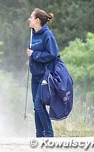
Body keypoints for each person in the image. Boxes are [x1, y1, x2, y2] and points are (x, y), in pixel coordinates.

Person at [26, 8, 59, 137]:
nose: (29, 19)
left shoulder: (47, 35)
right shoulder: (32, 34)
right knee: (36, 106)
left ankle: (49, 134)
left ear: (37, 20)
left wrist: (34, 54)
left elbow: (53, 54)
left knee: (39, 104)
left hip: (45, 75)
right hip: (35, 75)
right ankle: (39, 135)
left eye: (31, 17)